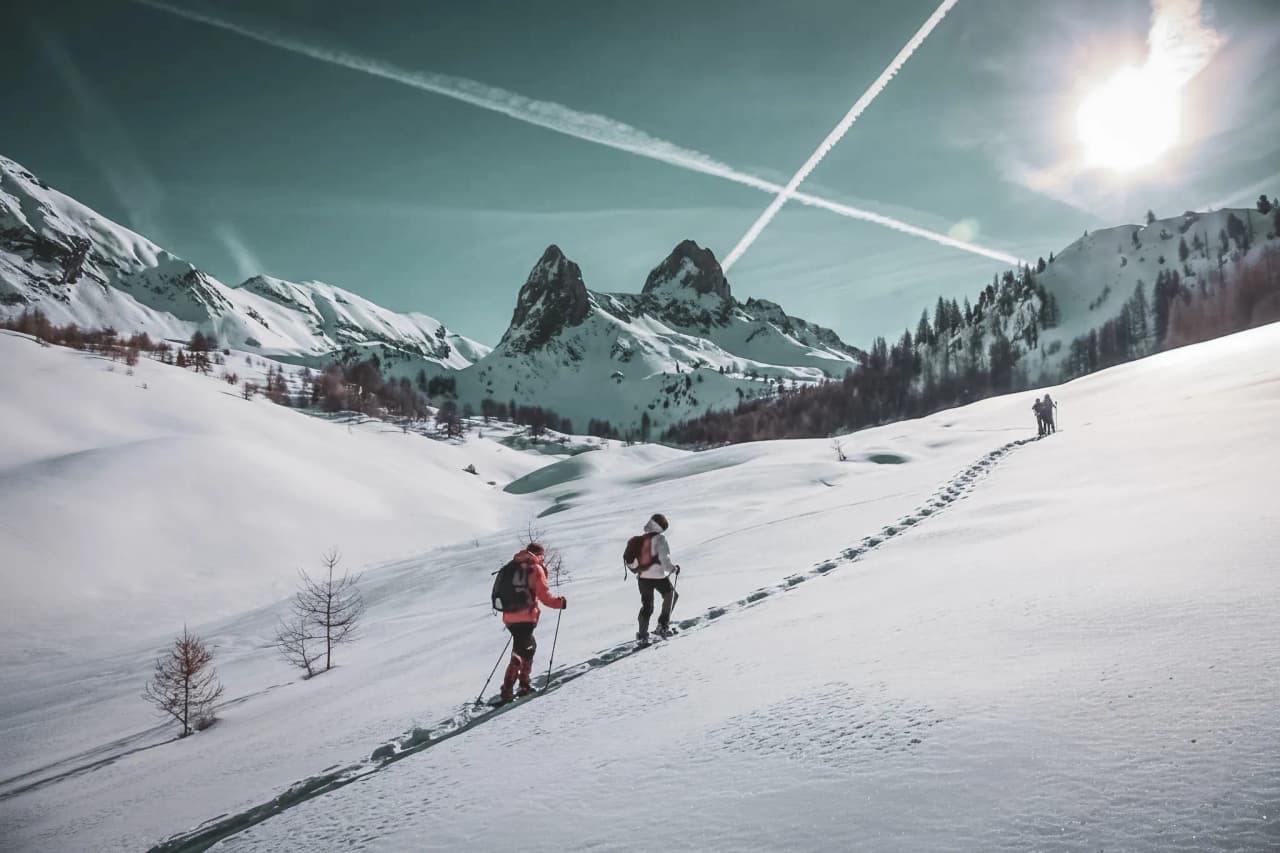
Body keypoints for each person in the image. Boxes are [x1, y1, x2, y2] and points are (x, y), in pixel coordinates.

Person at [499, 543, 566, 703]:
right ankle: (512, 689)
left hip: (510, 618)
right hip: (526, 618)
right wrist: (560, 603)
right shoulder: (535, 568)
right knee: (522, 652)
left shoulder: (512, 566)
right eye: (542, 555)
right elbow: (544, 596)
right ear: (539, 554)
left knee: (527, 648)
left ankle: (521, 686)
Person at [632, 513, 680, 643]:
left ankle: (642, 636)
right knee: (671, 595)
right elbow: (664, 559)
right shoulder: (660, 539)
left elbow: (635, 561)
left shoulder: (641, 539)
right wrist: (673, 569)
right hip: (658, 577)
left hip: (642, 578)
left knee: (647, 606)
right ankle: (662, 626)